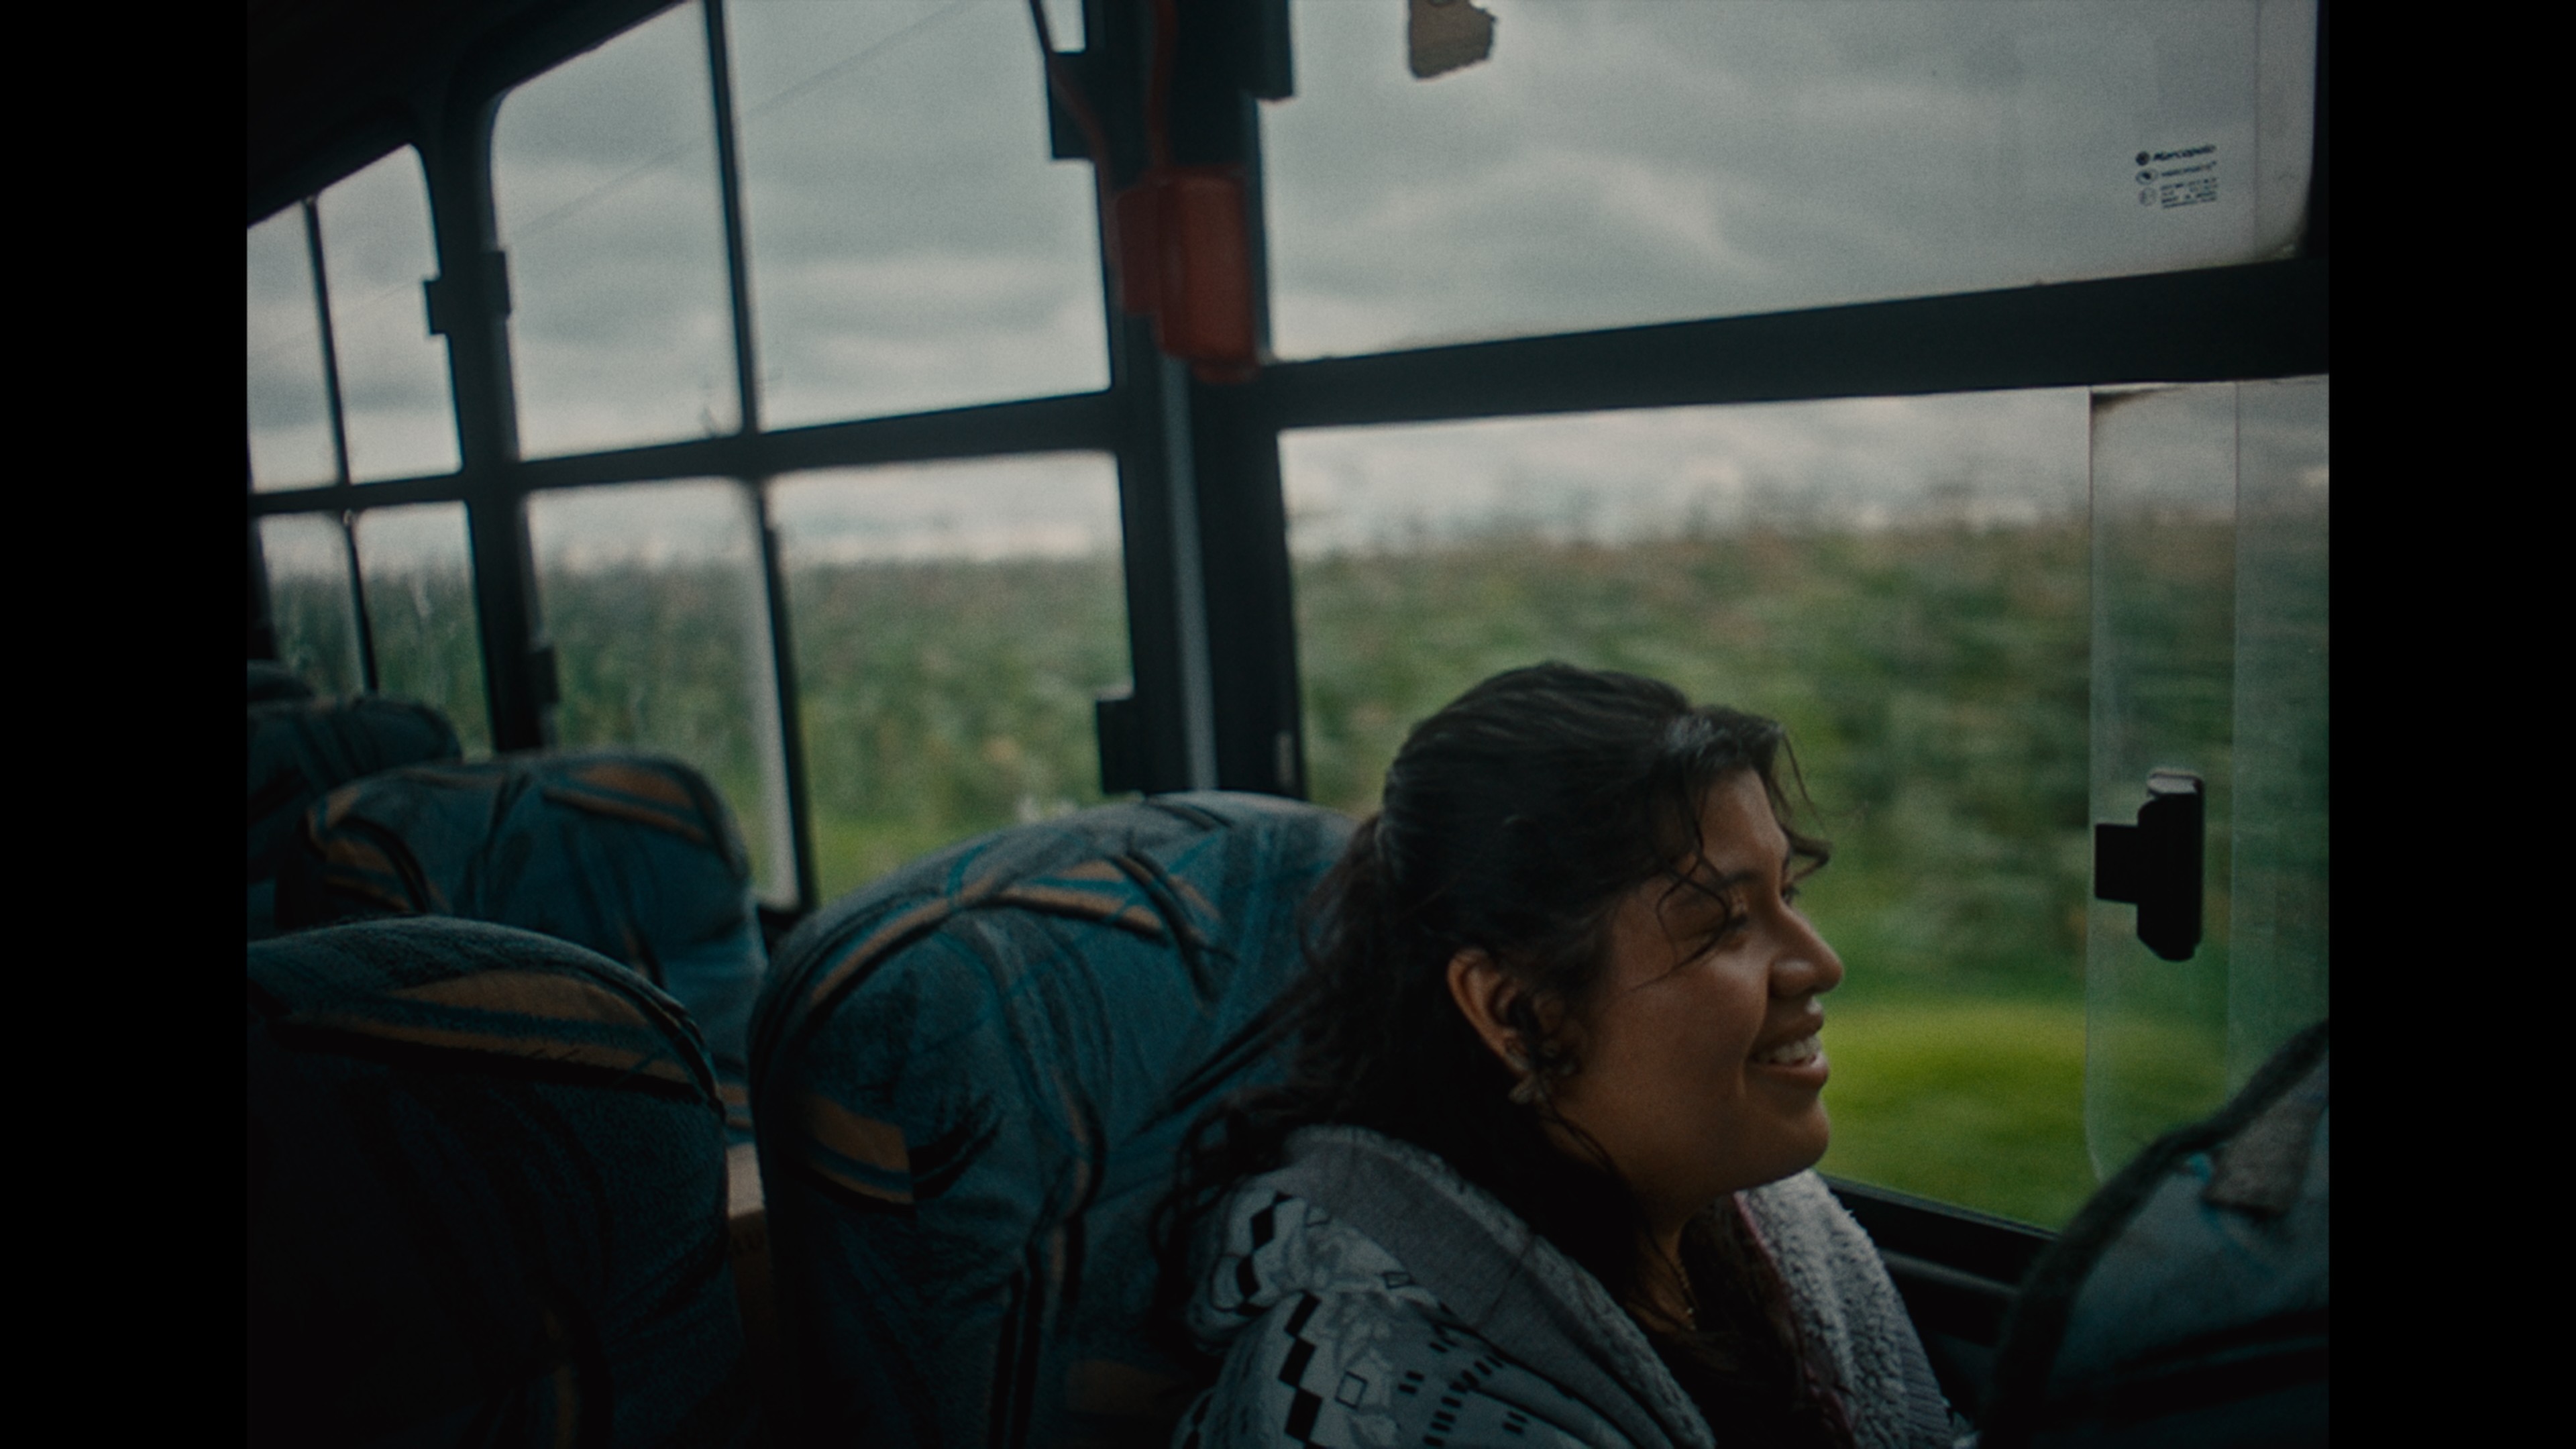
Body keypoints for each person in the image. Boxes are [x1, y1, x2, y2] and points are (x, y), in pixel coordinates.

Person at [1156, 663, 1957, 1449]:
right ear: (1517, 1009)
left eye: (1789, 895)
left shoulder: (1767, 1239)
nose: (1821, 964)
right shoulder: (1377, 1389)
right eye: (1723, 922)